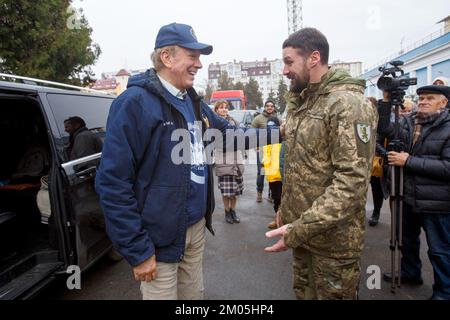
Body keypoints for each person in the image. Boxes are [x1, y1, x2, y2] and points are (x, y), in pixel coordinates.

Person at [95, 23, 278, 300]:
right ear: (167, 58)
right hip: (158, 242)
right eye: (192, 56)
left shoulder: (193, 102)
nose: (199, 64)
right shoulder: (133, 104)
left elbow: (230, 137)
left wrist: (279, 133)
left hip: (194, 230)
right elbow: (113, 183)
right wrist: (137, 250)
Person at [264, 27, 378, 300]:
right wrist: (288, 211)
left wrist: (298, 229)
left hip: (333, 245)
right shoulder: (306, 101)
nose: (284, 70)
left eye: (289, 62)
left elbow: (350, 183)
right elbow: (301, 163)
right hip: (303, 236)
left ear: (314, 58)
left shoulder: (347, 104)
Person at [378, 85, 450, 300]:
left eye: (430, 98)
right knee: (407, 239)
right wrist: (385, 102)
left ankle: (444, 292)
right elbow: (384, 129)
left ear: (444, 102)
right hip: (406, 195)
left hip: (436, 201)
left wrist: (408, 161)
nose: (424, 102)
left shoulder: (447, 126)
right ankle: (411, 273)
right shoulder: (409, 122)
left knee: (439, 249)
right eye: (421, 98)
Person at [213, 100, 244, 224]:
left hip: (236, 160)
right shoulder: (213, 124)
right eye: (221, 108)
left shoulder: (234, 122)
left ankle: (233, 211)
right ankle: (227, 212)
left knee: (235, 191)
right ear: (216, 110)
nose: (224, 109)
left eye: (226, 107)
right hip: (223, 160)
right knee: (226, 192)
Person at [251, 100, 279, 203]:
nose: (270, 108)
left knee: (273, 173)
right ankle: (259, 193)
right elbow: (252, 133)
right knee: (262, 173)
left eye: (272, 106)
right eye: (268, 106)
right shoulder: (258, 119)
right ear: (264, 107)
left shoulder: (277, 119)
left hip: (274, 151)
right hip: (262, 150)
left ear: (274, 107)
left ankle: (271, 194)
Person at [367, 97, 388, 227]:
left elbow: (377, 140)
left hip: (375, 160)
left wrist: (382, 152)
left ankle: (376, 212)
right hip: (360, 160)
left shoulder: (380, 121)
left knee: (376, 188)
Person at [262, 117, 283, 229]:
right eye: (269, 127)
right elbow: (266, 158)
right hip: (271, 176)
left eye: (274, 127)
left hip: (282, 176)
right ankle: (277, 219)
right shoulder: (266, 140)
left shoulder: (283, 140)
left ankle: (281, 221)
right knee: (276, 199)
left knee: (282, 199)